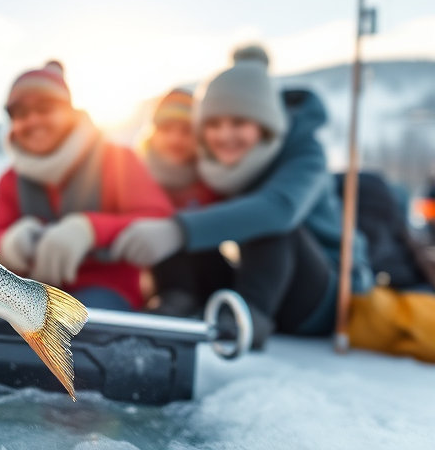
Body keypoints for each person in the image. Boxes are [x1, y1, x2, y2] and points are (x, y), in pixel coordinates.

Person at [111, 45, 374, 347]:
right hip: (258, 282)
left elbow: (280, 209)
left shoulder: (305, 153)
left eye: (238, 123)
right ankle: (177, 299)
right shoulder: (220, 163)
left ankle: (246, 321)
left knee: (265, 220)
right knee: (189, 215)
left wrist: (178, 230)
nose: (225, 136)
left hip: (324, 297)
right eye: (214, 124)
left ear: (263, 125)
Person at [0, 61, 173, 311]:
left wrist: (90, 229)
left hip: (108, 295)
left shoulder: (117, 160)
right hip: (29, 294)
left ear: (69, 111)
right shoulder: (10, 180)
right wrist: (10, 244)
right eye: (20, 113)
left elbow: (160, 219)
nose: (33, 120)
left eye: (45, 108)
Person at [138, 88, 218, 210]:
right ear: (152, 134)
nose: (175, 140)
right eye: (166, 129)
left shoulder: (214, 184)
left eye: (186, 131)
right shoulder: (130, 181)